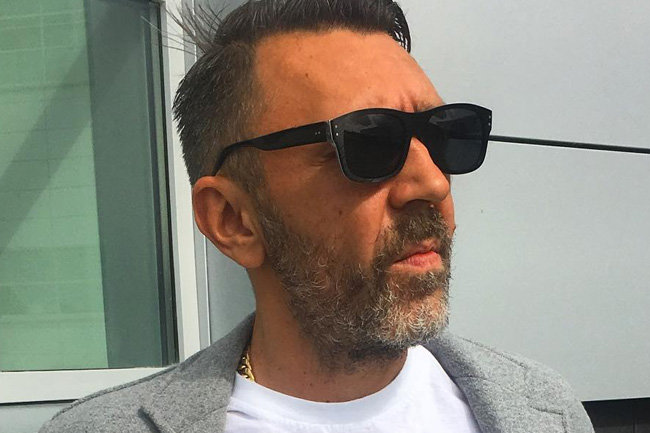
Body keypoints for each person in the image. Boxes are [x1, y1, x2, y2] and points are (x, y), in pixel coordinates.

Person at [40, 1, 594, 432]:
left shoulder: (544, 410)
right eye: (369, 143)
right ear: (233, 219)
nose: (433, 184)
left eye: (448, 135)